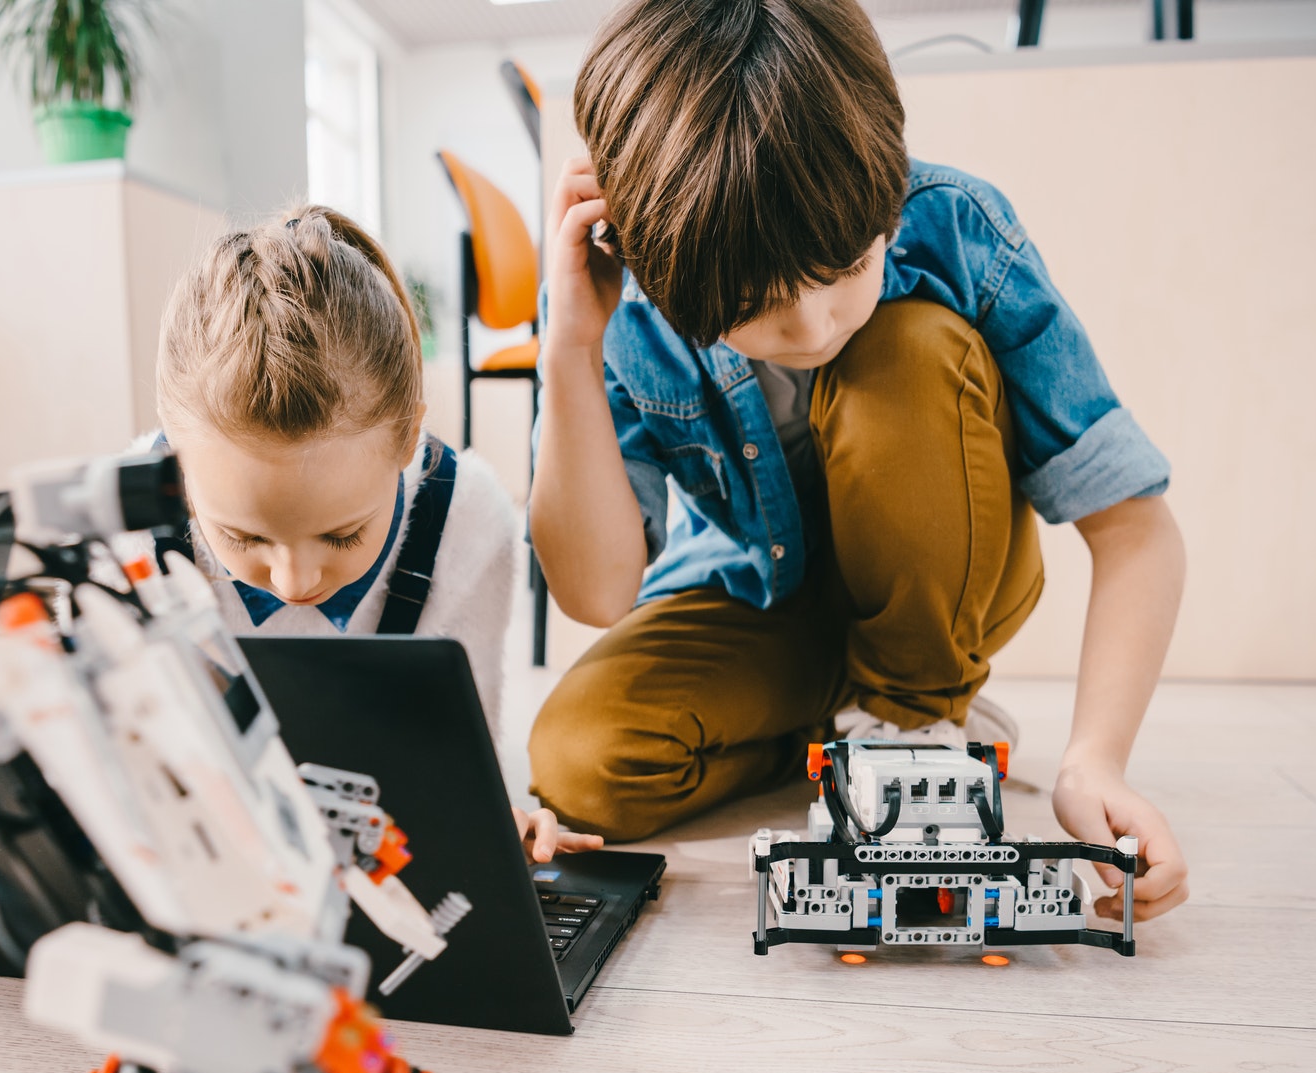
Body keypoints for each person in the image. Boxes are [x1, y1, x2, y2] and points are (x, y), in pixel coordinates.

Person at [528, 0, 1189, 920]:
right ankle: (842, 727)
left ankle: (917, 708)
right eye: (759, 302)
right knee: (578, 758)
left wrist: (1094, 760)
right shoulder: (632, 309)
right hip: (770, 602)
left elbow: (1137, 532)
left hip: (946, 579)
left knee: (903, 351)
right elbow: (598, 594)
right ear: (646, 252)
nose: (814, 323)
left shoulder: (955, 227)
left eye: (847, 264)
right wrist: (569, 344)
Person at [154, 204, 599, 864]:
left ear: (410, 438)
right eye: (243, 538)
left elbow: (450, 771)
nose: (294, 582)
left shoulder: (467, 525)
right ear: (174, 463)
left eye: (339, 537)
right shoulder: (126, 530)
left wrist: (488, 818)